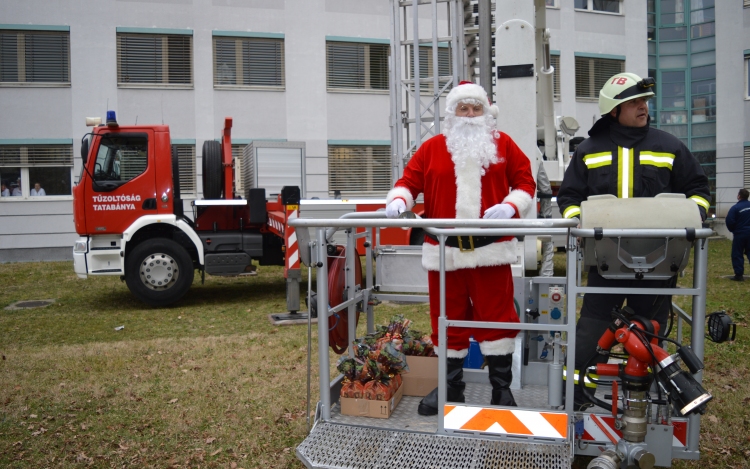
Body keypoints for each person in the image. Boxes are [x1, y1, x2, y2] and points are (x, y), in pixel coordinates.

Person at [557, 72, 711, 409]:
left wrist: (693, 216)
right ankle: (577, 396)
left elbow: (699, 190)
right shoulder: (588, 150)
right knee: (591, 333)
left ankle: (644, 397)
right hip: (606, 261)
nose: (643, 107)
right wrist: (576, 222)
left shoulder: (670, 146)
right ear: (614, 110)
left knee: (649, 332)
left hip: (658, 262)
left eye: (644, 102)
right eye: (634, 103)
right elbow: (569, 197)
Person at [385, 81, 536, 415]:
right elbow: (409, 182)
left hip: (490, 251)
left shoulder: (504, 145)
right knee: (446, 319)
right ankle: (450, 387)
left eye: (476, 109)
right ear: (451, 114)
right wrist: (399, 198)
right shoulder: (432, 148)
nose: (470, 115)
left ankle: (501, 391)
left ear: (486, 112)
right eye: (463, 109)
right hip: (445, 252)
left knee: (497, 319)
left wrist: (512, 206)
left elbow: (526, 181)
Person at [726, 188, 750, 281]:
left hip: (740, 234)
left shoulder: (735, 208)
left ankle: (739, 275)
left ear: (739, 196)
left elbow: (730, 221)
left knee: (737, 254)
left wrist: (734, 230)